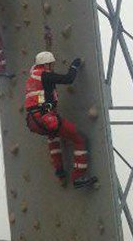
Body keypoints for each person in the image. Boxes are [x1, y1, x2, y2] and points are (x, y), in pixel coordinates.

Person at [24, 51, 97, 189]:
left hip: (33, 120)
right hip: (45, 117)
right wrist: (75, 65)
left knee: (53, 138)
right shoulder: (45, 75)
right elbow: (68, 79)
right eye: (51, 64)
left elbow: (39, 98)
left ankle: (60, 174)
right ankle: (78, 177)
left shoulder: (32, 79)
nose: (52, 67)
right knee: (79, 138)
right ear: (46, 65)